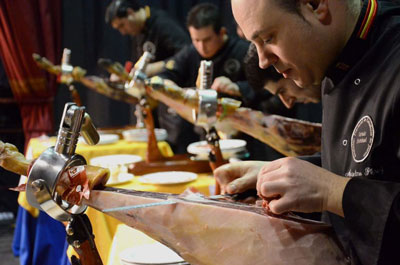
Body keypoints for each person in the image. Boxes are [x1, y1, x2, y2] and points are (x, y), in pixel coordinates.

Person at [214, 0, 400, 264]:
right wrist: (284, 173)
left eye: (268, 38)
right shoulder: (331, 58)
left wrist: (332, 191)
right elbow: (373, 165)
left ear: (316, 6)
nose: (263, 61)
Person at [156, 3, 251, 154]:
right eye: (196, 40)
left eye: (207, 40)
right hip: (202, 133)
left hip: (242, 136)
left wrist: (238, 87)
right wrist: (170, 88)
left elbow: (267, 88)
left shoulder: (244, 51)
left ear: (222, 32)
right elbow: (165, 75)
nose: (201, 47)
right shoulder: (191, 52)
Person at [105, 0, 190, 77]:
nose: (123, 32)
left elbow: (187, 53)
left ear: (130, 12)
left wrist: (157, 67)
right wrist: (123, 74)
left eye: (122, 25)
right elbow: (136, 62)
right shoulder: (137, 30)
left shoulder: (163, 24)